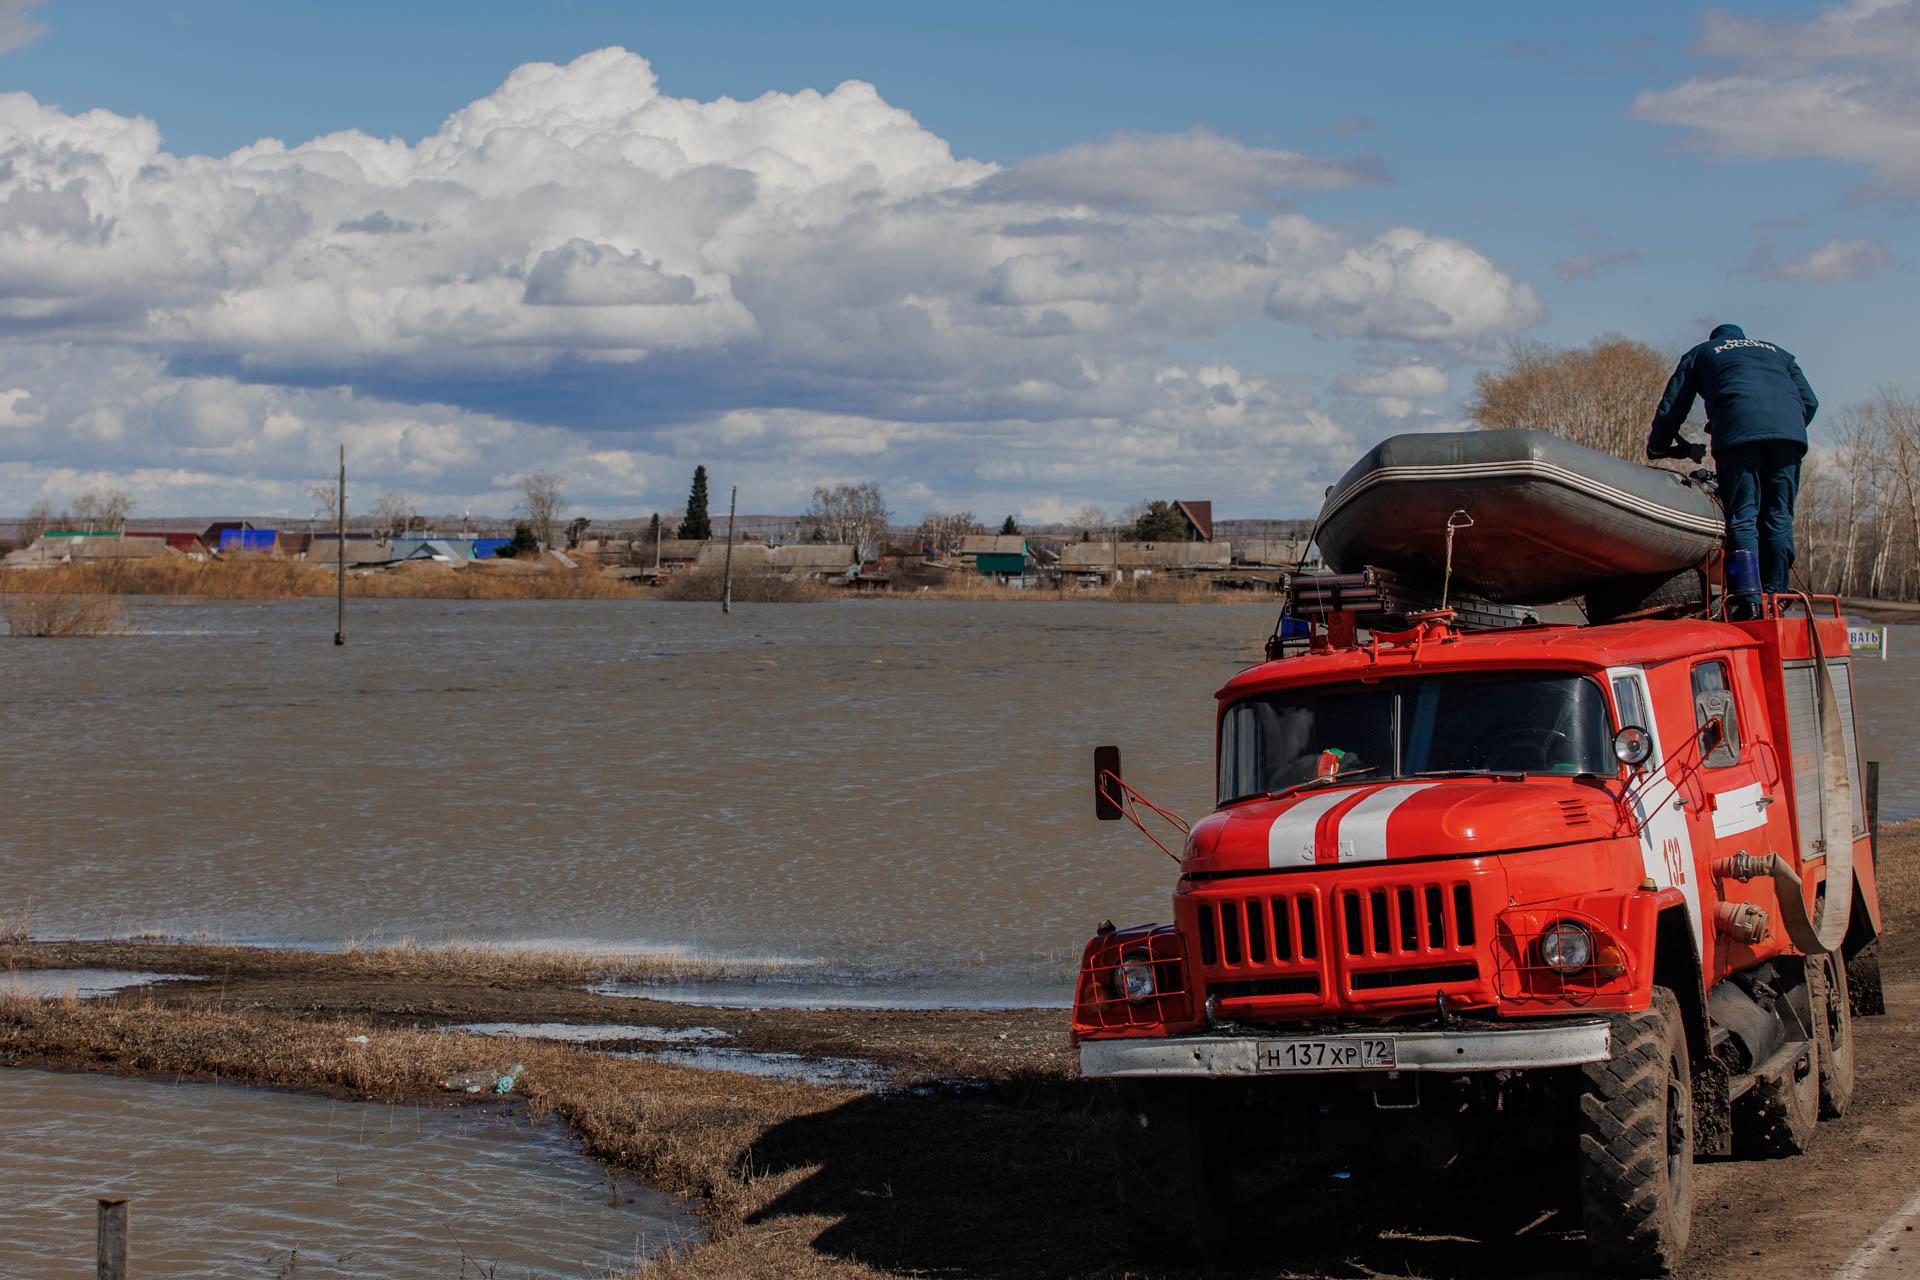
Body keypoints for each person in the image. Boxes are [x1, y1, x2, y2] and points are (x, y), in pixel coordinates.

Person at [1646, 323, 1818, 604]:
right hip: (1789, 435)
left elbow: (1674, 404)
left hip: (1738, 433)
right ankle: (1777, 597)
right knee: (1778, 517)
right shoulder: (1778, 353)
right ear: (1743, 338)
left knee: (1743, 515)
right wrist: (1786, 428)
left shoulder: (1702, 353)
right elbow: (1810, 402)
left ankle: (1749, 600)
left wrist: (1659, 444)